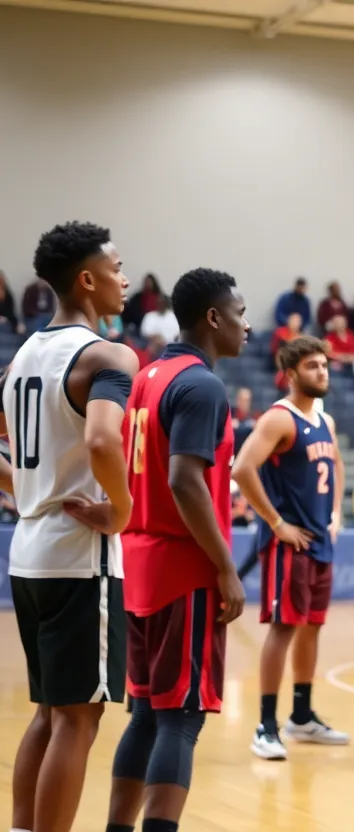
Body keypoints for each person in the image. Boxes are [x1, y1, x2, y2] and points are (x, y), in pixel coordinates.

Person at [1, 222, 138, 832]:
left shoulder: (23, 355)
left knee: (49, 714)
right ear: (87, 279)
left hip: (28, 553)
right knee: (79, 720)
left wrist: (26, 489)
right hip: (81, 557)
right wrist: (123, 509)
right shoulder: (108, 354)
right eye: (116, 266)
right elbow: (103, 438)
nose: (125, 277)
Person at [105, 268, 251, 832]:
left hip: (137, 563)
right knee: (181, 718)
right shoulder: (203, 385)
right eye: (239, 313)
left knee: (146, 714)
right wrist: (225, 567)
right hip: (182, 569)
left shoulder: (147, 375)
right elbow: (185, 481)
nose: (246, 326)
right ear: (213, 318)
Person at [230, 335, 350, 761]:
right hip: (289, 545)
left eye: (325, 365)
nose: (323, 372)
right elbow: (242, 468)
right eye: (314, 366)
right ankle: (265, 725)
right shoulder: (278, 419)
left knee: (312, 626)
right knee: (283, 628)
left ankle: (301, 715)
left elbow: (335, 464)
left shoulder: (325, 421)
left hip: (319, 540)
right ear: (292, 373)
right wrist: (276, 523)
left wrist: (336, 513)